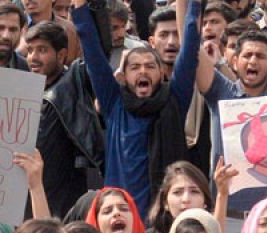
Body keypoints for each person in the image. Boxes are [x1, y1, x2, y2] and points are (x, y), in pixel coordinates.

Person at [73, 0, 198, 211]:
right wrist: (79, 8)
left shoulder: (175, 99)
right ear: (124, 76)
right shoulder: (114, 103)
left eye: (150, 66)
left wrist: (194, 5)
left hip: (162, 219)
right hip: (119, 216)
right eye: (135, 67)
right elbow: (92, 50)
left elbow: (191, 44)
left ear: (160, 74)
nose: (143, 71)